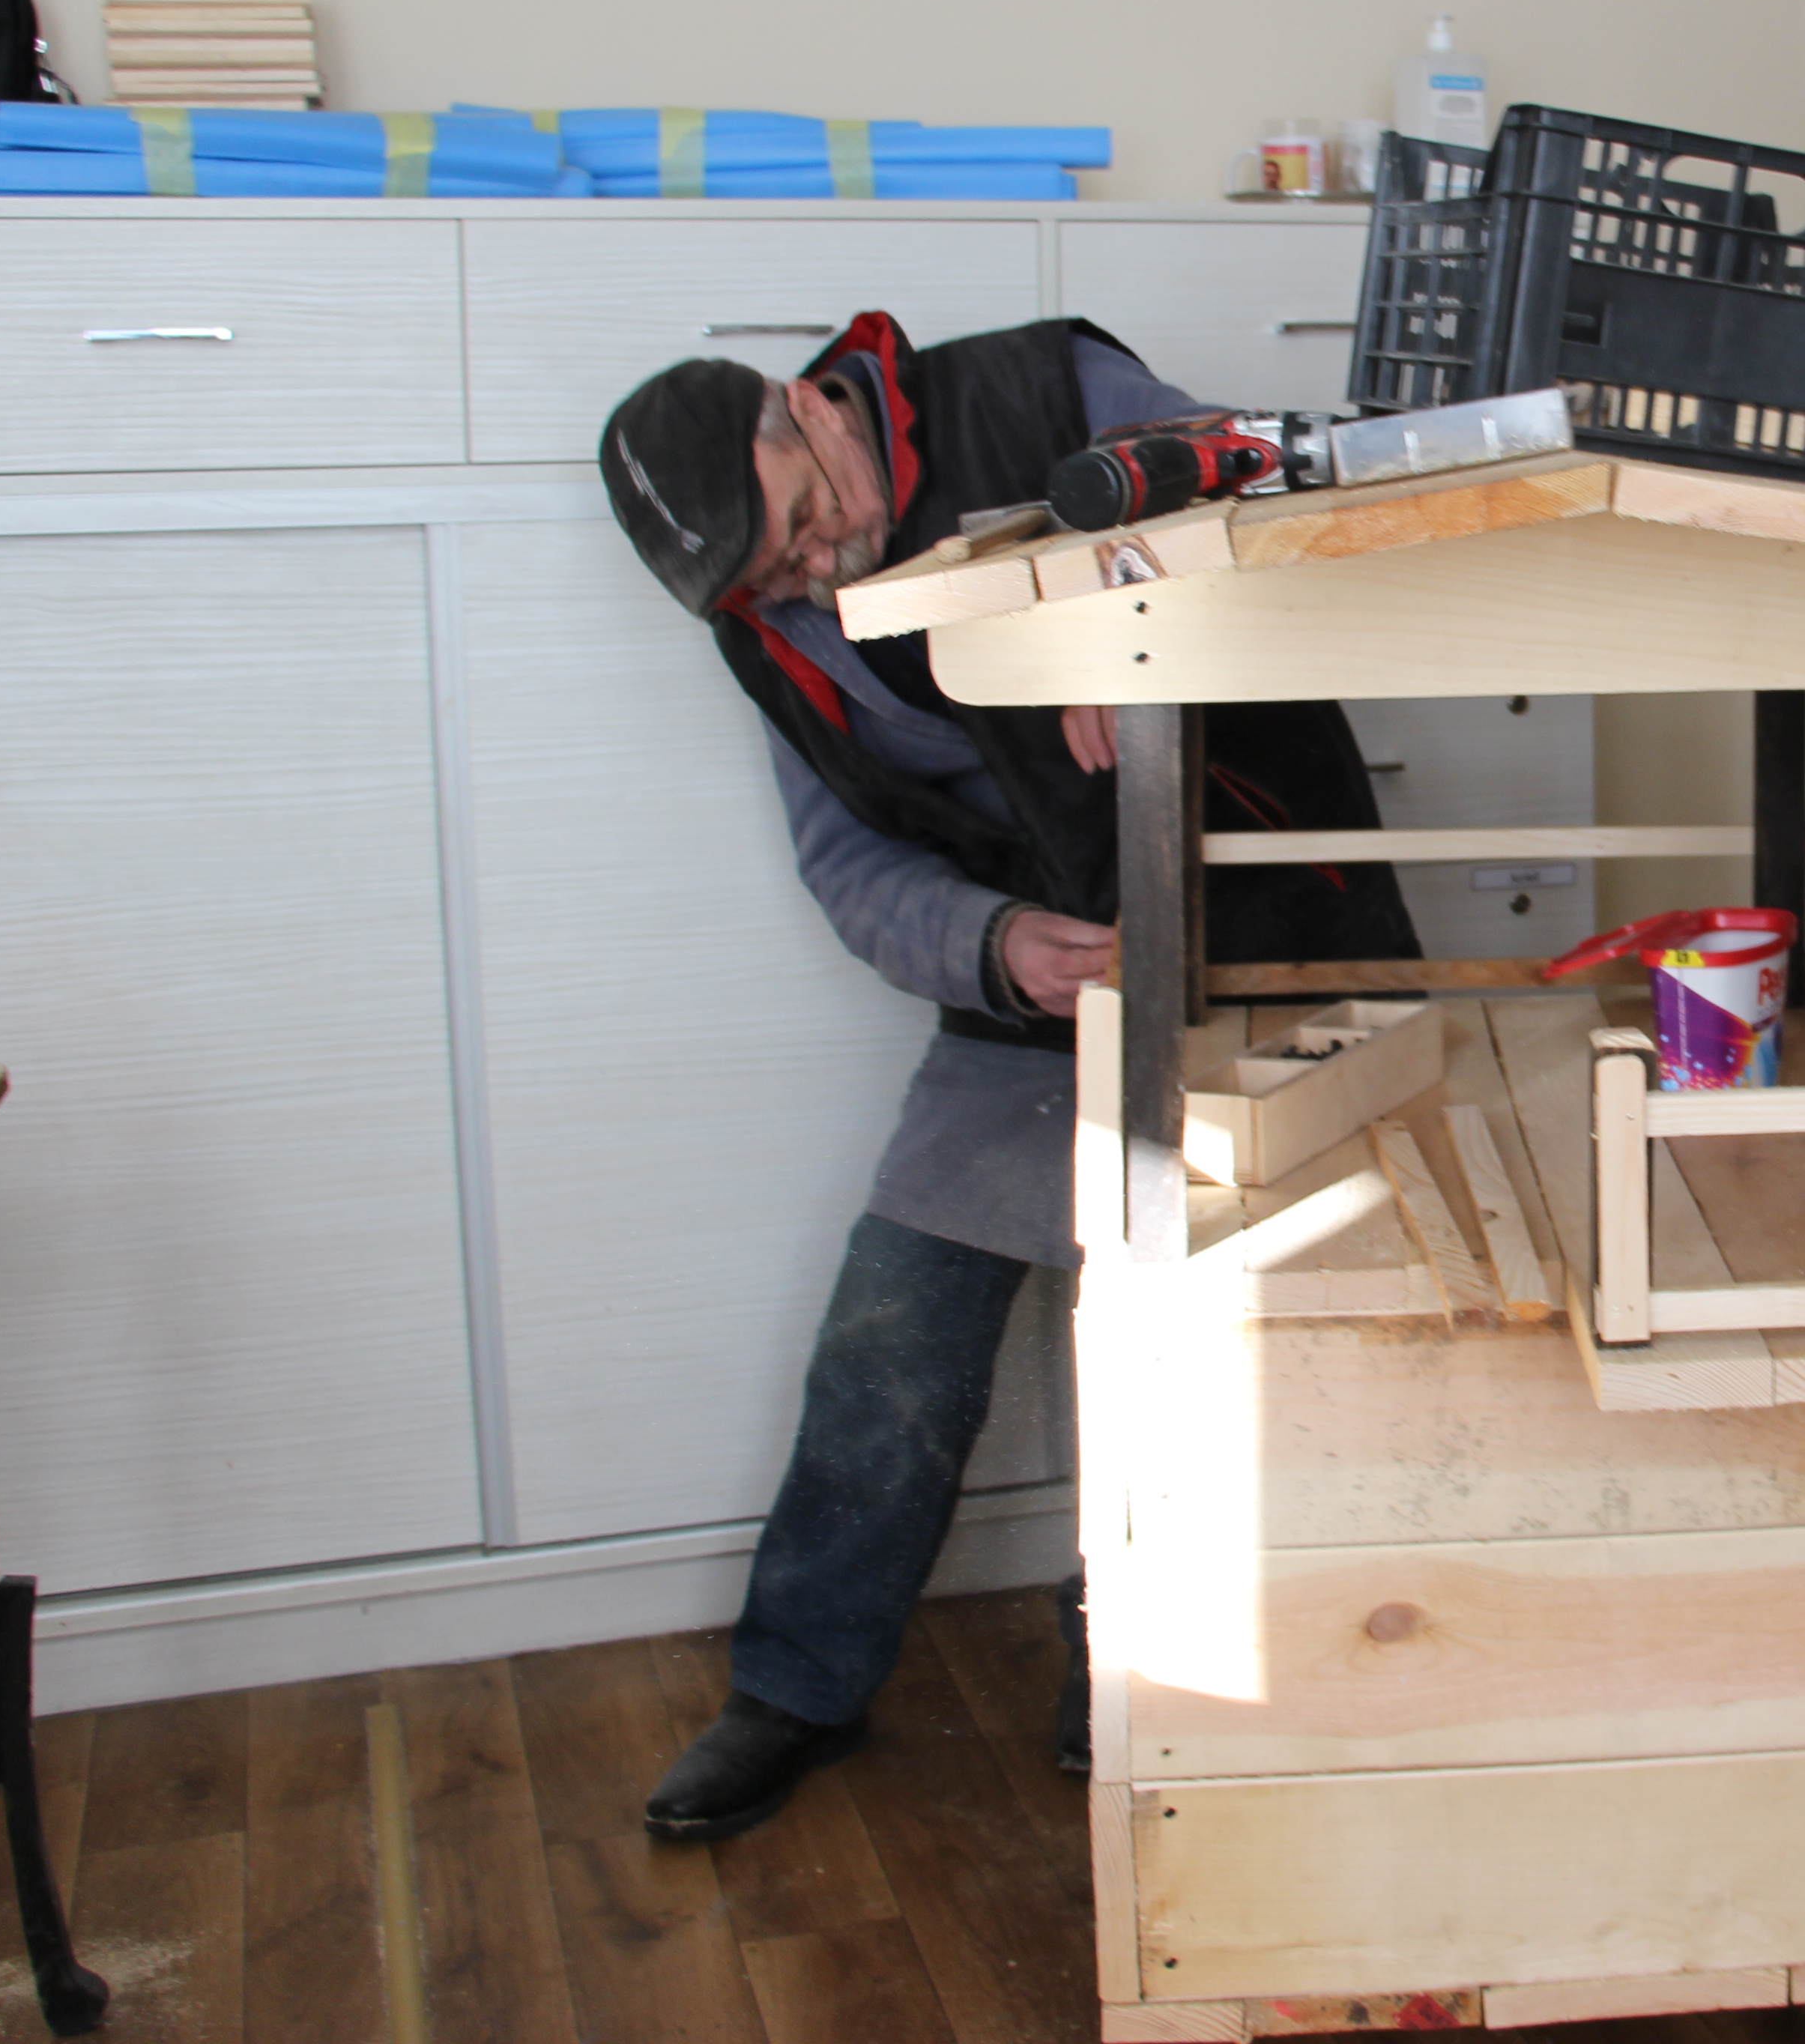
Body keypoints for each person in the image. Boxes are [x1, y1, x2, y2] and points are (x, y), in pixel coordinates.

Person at [598, 309, 1411, 1841]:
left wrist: (1129, 609)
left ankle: (1129, 1650)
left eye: (799, 526)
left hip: (1275, 940)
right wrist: (989, 944)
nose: (805, 573)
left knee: (1201, 1337)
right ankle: (797, 1686)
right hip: (1049, 989)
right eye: (764, 577)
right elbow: (850, 868)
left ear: (807, 412)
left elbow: (1241, 479)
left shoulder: (1037, 387)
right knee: (893, 1333)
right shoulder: (768, 625)